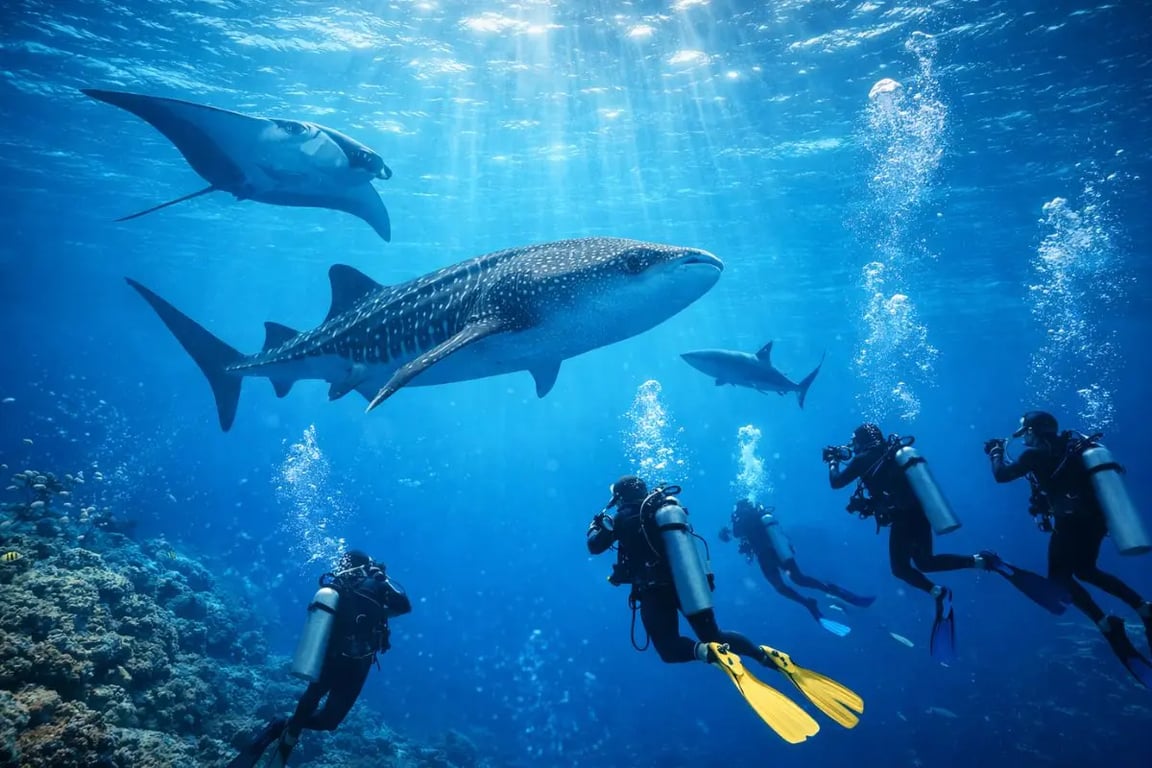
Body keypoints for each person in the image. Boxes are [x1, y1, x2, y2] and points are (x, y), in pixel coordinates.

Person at [587, 475, 863, 743]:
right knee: (715, 633)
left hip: (654, 592)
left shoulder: (622, 517)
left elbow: (595, 545)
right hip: (688, 584)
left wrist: (597, 524)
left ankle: (710, 653)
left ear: (619, 496)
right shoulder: (661, 509)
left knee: (670, 649)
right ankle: (763, 655)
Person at [827, 423, 1065, 662]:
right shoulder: (890, 454)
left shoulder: (864, 459)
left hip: (903, 517)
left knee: (901, 569)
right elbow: (889, 490)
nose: (852, 447)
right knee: (926, 562)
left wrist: (833, 460)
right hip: (919, 513)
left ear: (861, 441)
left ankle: (940, 593)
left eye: (854, 442)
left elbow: (836, 482)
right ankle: (983, 562)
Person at [985, 410, 1152, 687]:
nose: (1024, 436)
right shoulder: (1072, 448)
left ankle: (1104, 624)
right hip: (1097, 522)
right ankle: (1142, 606)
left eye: (1025, 431)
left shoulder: (1035, 455)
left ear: (1033, 430)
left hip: (1071, 524)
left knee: (1058, 581)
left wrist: (994, 451)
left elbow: (1001, 475)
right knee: (1085, 570)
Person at [229, 550, 412, 768]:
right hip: (337, 661)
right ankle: (286, 729)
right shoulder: (356, 587)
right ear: (364, 566)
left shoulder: (361, 588)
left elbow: (401, 608)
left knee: (326, 718)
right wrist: (383, 579)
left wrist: (380, 582)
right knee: (326, 718)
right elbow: (405, 606)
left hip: (353, 663)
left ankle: (281, 726)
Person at [718, 499, 874, 637]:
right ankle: (835, 592)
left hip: (766, 555)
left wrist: (728, 530)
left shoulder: (744, 516)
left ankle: (809, 602)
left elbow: (736, 533)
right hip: (780, 551)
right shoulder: (755, 515)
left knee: (781, 587)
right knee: (798, 579)